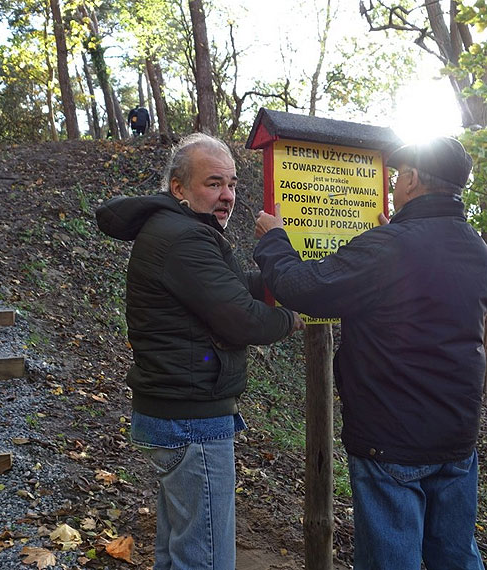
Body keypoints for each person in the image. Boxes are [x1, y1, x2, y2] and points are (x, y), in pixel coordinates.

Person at [252, 136, 487, 570]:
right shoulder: (476, 247)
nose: (396, 182)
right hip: (457, 440)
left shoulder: (389, 247)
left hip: (390, 442)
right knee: (455, 558)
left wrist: (274, 240)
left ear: (412, 179)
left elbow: (304, 289)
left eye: (399, 175)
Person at [96, 133, 303, 570]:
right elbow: (241, 318)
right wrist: (294, 317)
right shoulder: (185, 239)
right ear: (178, 188)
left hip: (176, 412)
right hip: (192, 418)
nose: (226, 195)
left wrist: (285, 279)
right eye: (213, 184)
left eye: (230, 184)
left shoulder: (180, 231)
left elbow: (226, 288)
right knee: (205, 558)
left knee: (178, 552)